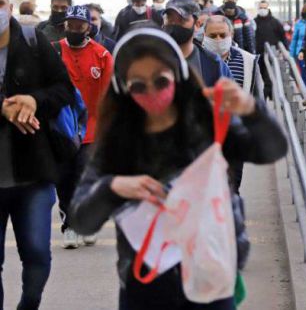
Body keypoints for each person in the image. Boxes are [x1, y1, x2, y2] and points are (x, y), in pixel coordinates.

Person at [68, 28, 287, 310]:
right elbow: (81, 220)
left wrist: (252, 111)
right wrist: (112, 188)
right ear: (124, 88)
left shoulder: (207, 122)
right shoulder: (118, 141)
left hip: (210, 274)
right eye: (138, 85)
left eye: (160, 80)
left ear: (178, 75)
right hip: (145, 285)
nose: (151, 92)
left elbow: (271, 150)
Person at [0, 0, 76, 309]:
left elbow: (64, 89)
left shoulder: (33, 42)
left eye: (0, 3)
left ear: (11, 6)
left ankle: (28, 305)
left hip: (34, 172)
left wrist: (34, 100)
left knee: (36, 253)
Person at [56, 4, 114, 249]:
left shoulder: (101, 55)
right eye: (71, 25)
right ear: (65, 26)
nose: (75, 29)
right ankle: (69, 225)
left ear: (88, 28)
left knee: (84, 176)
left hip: (92, 128)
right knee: (65, 178)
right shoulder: (54, 52)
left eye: (80, 26)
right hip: (62, 128)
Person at [202, 15, 263, 194]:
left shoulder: (248, 61)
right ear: (203, 35)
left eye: (222, 35)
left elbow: (256, 97)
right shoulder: (195, 60)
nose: (218, 40)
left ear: (231, 35)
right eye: (212, 36)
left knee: (232, 187)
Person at [162, 0, 232, 87]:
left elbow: (228, 98)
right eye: (170, 20)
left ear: (197, 24)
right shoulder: (151, 59)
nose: (174, 25)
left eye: (181, 20)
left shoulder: (214, 63)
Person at [253, 0, 287, 99]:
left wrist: (284, 50)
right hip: (258, 54)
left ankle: (267, 95)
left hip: (272, 53)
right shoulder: (254, 22)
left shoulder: (275, 22)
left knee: (269, 76)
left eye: (264, 8)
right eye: (261, 8)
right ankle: (265, 95)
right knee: (260, 76)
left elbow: (282, 37)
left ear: (268, 9)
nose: (263, 10)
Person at [290, 3, 306, 81]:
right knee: (304, 74)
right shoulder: (299, 24)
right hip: (300, 53)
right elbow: (294, 39)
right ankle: (305, 91)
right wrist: (291, 55)